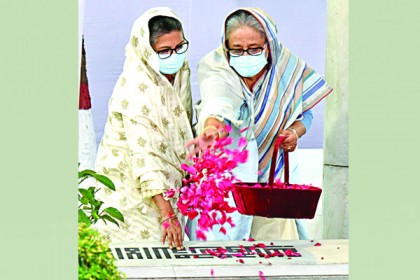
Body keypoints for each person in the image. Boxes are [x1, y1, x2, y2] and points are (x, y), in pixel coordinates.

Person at [186, 7, 332, 241]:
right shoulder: (216, 65)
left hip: (272, 182)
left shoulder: (288, 69)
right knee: (222, 254)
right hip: (228, 178)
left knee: (274, 253)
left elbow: (305, 116)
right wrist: (211, 130)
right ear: (226, 47)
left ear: (269, 45)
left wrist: (294, 133)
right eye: (237, 49)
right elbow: (218, 103)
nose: (245, 56)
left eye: (254, 49)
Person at [94, 7, 193, 250]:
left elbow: (184, 126)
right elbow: (146, 157)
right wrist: (167, 214)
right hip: (134, 193)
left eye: (180, 47)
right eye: (165, 51)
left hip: (167, 190)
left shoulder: (179, 72)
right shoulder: (137, 88)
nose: (175, 55)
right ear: (146, 52)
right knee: (142, 260)